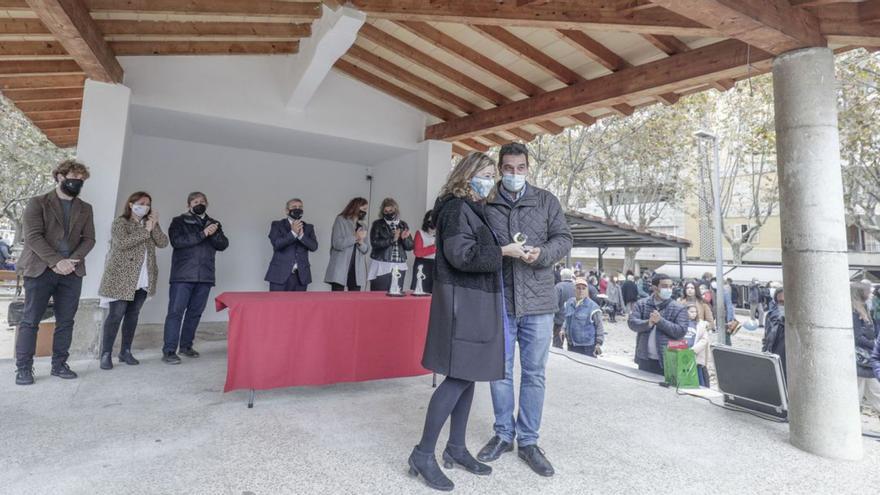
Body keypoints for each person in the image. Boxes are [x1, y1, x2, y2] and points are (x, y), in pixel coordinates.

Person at [410, 152, 527, 491]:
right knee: (458, 377)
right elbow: (461, 256)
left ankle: (456, 448)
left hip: (474, 299)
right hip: (464, 301)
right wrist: (504, 251)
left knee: (469, 374)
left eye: (492, 174)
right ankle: (422, 453)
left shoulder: (472, 207)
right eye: (485, 173)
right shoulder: (457, 208)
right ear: (467, 174)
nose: (490, 180)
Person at [477, 142, 572, 477]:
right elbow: (478, 245)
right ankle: (503, 434)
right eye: (508, 168)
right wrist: (504, 251)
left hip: (539, 302)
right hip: (500, 299)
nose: (514, 174)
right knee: (500, 372)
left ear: (528, 169)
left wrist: (542, 254)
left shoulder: (546, 200)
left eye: (520, 168)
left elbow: (564, 239)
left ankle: (528, 441)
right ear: (500, 169)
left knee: (534, 374)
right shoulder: (486, 202)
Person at [14, 160, 95, 385]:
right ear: (59, 176)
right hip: (40, 269)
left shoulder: (85, 208)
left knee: (66, 321)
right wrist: (57, 262)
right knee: (30, 320)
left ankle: (59, 364)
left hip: (72, 271)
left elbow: (89, 239)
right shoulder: (38, 203)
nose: (77, 182)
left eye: (81, 179)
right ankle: (23, 368)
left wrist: (72, 262)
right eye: (73, 177)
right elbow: (33, 237)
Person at [97, 192, 168, 370]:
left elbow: (163, 243)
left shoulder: (149, 225)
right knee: (116, 315)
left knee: (132, 315)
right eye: (141, 203)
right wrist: (146, 231)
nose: (144, 206)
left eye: (148, 204)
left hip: (143, 278)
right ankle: (106, 353)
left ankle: (125, 351)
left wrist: (155, 224)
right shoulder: (120, 223)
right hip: (122, 277)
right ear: (130, 204)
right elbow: (123, 243)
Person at [162, 192, 229, 365]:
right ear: (188, 205)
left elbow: (223, 245)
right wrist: (203, 233)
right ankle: (169, 351)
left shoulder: (214, 223)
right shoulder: (179, 221)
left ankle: (186, 346)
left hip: (205, 275)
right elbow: (177, 241)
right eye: (195, 201)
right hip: (182, 275)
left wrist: (213, 233)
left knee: (195, 313)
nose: (199, 203)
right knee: (176, 313)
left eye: (202, 201)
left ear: (207, 203)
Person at [627, 274, 689, 375]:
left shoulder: (679, 308)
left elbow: (681, 331)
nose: (669, 289)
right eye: (664, 286)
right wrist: (648, 323)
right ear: (655, 288)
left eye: (671, 286)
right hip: (645, 358)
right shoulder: (642, 304)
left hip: (669, 358)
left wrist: (660, 321)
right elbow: (632, 323)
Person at [264, 198, 318, 292]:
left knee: (299, 306)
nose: (297, 209)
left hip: (301, 277)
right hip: (279, 275)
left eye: (300, 207)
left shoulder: (308, 227)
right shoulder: (277, 225)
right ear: (286, 210)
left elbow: (314, 247)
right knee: (277, 305)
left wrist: (301, 236)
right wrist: (293, 233)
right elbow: (277, 244)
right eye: (294, 207)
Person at [324, 197, 370, 291]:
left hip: (356, 270)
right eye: (364, 209)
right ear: (356, 207)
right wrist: (355, 237)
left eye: (366, 209)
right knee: (337, 301)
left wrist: (361, 243)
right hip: (340, 267)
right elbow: (337, 244)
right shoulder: (340, 220)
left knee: (354, 302)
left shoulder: (363, 225)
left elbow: (366, 249)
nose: (365, 212)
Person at [368, 198, 413, 292]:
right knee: (379, 295)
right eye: (386, 211)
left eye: (391, 210)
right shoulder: (377, 224)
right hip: (382, 263)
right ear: (382, 212)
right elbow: (374, 243)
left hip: (399, 264)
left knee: (396, 294)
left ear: (396, 210)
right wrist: (392, 239)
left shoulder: (403, 224)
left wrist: (404, 239)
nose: (388, 213)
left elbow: (410, 247)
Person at [852, 282, 880, 415]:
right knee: (857, 393)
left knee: (873, 390)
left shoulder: (863, 308)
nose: (870, 293)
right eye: (867, 291)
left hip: (866, 360)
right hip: (861, 358)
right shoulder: (854, 311)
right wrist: (874, 345)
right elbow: (857, 337)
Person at [562, 278, 604, 357]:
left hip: (587, 346)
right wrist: (563, 329)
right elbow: (566, 319)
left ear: (587, 291)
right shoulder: (569, 303)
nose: (581, 291)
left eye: (583, 289)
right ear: (574, 290)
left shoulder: (593, 307)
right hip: (571, 344)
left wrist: (598, 343)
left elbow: (599, 326)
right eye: (578, 288)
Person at [684, 305, 711, 387]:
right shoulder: (682, 322)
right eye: (691, 312)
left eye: (695, 312)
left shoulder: (701, 324)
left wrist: (694, 350)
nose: (694, 314)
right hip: (683, 352)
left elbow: (704, 340)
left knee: (698, 376)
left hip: (696, 354)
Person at [762, 289, 786, 377]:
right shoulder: (770, 317)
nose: (783, 305)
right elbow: (766, 339)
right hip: (773, 363)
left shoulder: (797, 323)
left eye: (786, 301)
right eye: (781, 302)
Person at [412, 210, 437, 293]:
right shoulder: (420, 233)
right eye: (429, 220)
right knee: (420, 290)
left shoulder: (441, 235)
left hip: (436, 265)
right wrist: (435, 248)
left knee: (434, 293)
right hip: (422, 265)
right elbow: (418, 252)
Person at [552, 268, 575, 349]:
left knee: (557, 344)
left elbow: (554, 303)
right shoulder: (576, 286)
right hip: (573, 319)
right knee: (572, 346)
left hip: (560, 319)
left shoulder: (558, 287)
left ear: (562, 276)